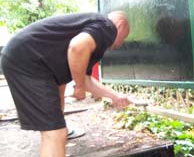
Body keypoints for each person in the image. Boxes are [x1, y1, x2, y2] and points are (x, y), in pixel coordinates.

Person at [1, 11, 131, 157]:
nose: (121, 43)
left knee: (56, 131)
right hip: (28, 61)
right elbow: (77, 47)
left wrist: (114, 96)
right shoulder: (107, 27)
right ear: (120, 25)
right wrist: (79, 85)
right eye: (124, 37)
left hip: (26, 58)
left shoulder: (94, 31)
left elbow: (87, 79)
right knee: (55, 134)